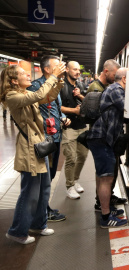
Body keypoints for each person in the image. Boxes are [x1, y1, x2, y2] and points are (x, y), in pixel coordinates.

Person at [1, 63, 66, 244]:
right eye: (23, 74)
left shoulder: (24, 93)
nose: (28, 75)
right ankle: (17, 231)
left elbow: (47, 97)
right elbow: (39, 95)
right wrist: (53, 76)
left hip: (39, 146)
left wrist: (58, 81)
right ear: (14, 81)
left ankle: (39, 224)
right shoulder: (12, 96)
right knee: (30, 191)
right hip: (29, 149)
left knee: (44, 187)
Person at [27, 55, 71, 221]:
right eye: (57, 65)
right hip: (44, 138)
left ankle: (43, 209)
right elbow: (37, 104)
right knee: (43, 178)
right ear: (47, 69)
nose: (61, 68)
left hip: (55, 136)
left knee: (50, 175)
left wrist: (63, 117)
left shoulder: (56, 85)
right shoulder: (36, 87)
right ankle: (42, 212)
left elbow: (56, 109)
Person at [86, 68, 129, 228]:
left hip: (102, 138)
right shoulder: (116, 89)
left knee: (102, 176)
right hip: (102, 139)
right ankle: (106, 218)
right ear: (124, 79)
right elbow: (128, 109)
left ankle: (104, 208)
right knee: (106, 178)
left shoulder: (112, 89)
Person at [60, 61, 88, 199]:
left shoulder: (81, 85)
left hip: (82, 126)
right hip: (68, 127)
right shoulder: (60, 86)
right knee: (71, 157)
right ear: (67, 70)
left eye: (79, 70)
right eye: (74, 69)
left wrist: (79, 95)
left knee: (82, 156)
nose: (77, 72)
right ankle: (69, 185)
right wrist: (73, 111)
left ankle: (75, 180)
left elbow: (88, 104)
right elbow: (56, 107)